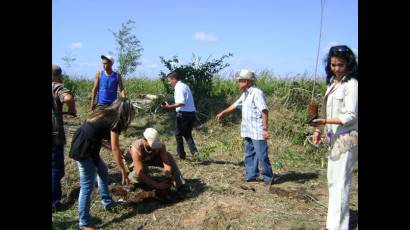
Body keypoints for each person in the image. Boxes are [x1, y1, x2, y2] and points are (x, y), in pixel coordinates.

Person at [69, 97, 135, 230]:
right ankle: (84, 223)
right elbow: (115, 147)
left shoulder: (104, 113)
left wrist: (115, 149)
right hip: (85, 150)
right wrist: (123, 170)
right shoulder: (115, 121)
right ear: (126, 112)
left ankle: (107, 202)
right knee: (87, 187)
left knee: (103, 171)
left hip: (86, 145)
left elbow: (97, 136)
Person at [311, 45, 358, 230]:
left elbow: (350, 115)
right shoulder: (332, 84)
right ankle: (334, 224)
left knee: (341, 182)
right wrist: (318, 130)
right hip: (333, 138)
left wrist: (325, 120)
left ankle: (338, 226)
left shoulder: (351, 84)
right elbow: (325, 111)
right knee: (332, 180)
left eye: (340, 64)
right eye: (333, 64)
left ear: (348, 64)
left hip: (346, 138)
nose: (336, 68)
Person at [215, 69, 274, 186]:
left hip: (257, 130)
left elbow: (264, 110)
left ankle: (268, 178)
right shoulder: (245, 94)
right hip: (248, 130)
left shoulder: (256, 93)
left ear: (247, 81)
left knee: (262, 155)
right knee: (249, 154)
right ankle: (251, 175)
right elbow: (235, 105)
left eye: (240, 81)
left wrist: (265, 129)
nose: (239, 83)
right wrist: (223, 113)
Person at [52, 64, 77, 212]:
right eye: (60, 75)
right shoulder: (55, 86)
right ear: (57, 76)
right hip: (54, 135)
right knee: (57, 170)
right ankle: (54, 203)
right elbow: (68, 97)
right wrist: (72, 109)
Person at [160, 72, 198, 159]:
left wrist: (168, 106)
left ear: (174, 79)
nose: (169, 83)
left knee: (178, 134)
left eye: (169, 81)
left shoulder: (179, 87)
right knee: (187, 134)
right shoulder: (184, 86)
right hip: (191, 113)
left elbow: (181, 103)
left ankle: (181, 154)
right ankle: (195, 153)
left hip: (184, 114)